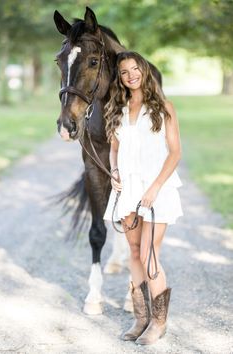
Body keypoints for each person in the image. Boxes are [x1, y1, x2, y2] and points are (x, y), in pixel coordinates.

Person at [103, 51, 183, 345]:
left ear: (144, 71)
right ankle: (140, 318)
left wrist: (154, 188)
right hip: (127, 191)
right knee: (133, 253)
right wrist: (114, 170)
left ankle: (159, 323)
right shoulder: (118, 109)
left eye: (135, 69)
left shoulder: (163, 107)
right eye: (124, 72)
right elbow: (114, 148)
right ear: (120, 78)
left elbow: (175, 153)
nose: (130, 75)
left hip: (156, 191)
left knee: (150, 255)